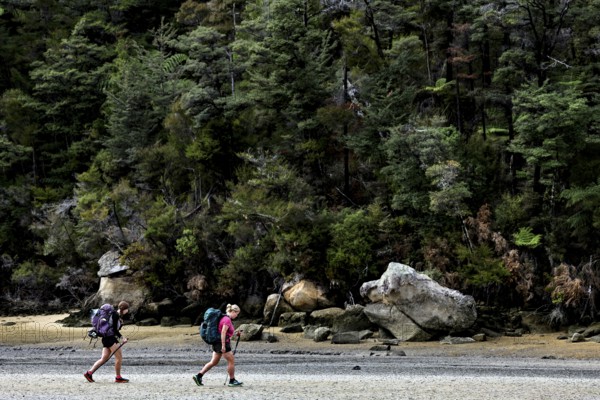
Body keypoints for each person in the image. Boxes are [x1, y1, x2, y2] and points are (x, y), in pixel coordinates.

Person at [193, 304, 243, 387]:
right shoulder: (227, 320)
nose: (237, 316)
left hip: (216, 342)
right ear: (233, 311)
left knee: (213, 362)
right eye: (237, 313)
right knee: (231, 361)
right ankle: (232, 380)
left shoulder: (223, 318)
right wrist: (223, 346)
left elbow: (223, 332)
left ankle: (198, 376)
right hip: (221, 343)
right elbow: (223, 332)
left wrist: (235, 334)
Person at [84, 301, 130, 383]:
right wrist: (123, 338)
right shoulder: (115, 315)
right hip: (110, 339)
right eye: (127, 309)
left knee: (104, 358)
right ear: (123, 309)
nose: (128, 311)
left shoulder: (115, 315)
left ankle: (89, 373)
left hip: (105, 339)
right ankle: (118, 377)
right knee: (119, 358)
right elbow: (115, 330)